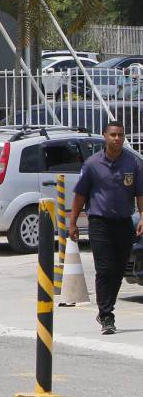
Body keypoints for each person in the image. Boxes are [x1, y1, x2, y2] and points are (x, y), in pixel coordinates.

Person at [68, 121, 143, 335]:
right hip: (99, 223)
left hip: (123, 222)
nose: (116, 138)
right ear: (104, 136)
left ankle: (107, 308)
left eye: (120, 135)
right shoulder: (92, 165)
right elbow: (80, 195)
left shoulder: (133, 163)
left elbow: (140, 193)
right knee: (104, 270)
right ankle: (106, 314)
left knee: (119, 270)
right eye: (113, 134)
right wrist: (72, 222)